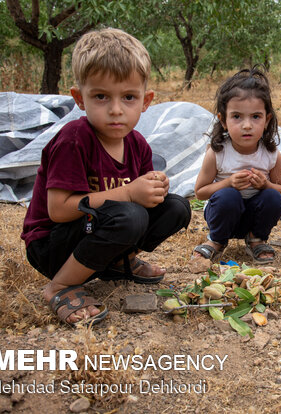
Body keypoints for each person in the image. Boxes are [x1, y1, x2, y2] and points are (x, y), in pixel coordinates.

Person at [21, 28, 191, 327]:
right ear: (79, 98)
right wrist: (128, 192)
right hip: (52, 246)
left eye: (128, 97)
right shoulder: (74, 139)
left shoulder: (138, 144)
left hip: (95, 232)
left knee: (176, 207)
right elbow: (58, 210)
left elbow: (139, 202)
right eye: (101, 96)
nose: (115, 110)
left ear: (146, 100)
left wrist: (153, 190)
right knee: (129, 215)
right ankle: (60, 287)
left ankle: (114, 262)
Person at [191, 68, 281, 264]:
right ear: (223, 120)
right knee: (228, 195)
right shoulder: (217, 153)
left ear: (267, 120)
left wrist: (265, 185)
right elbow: (200, 192)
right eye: (237, 117)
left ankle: (256, 239)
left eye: (256, 117)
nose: (247, 125)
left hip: (254, 220)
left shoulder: (271, 154)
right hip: (224, 217)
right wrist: (229, 183)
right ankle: (216, 241)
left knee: (272, 197)